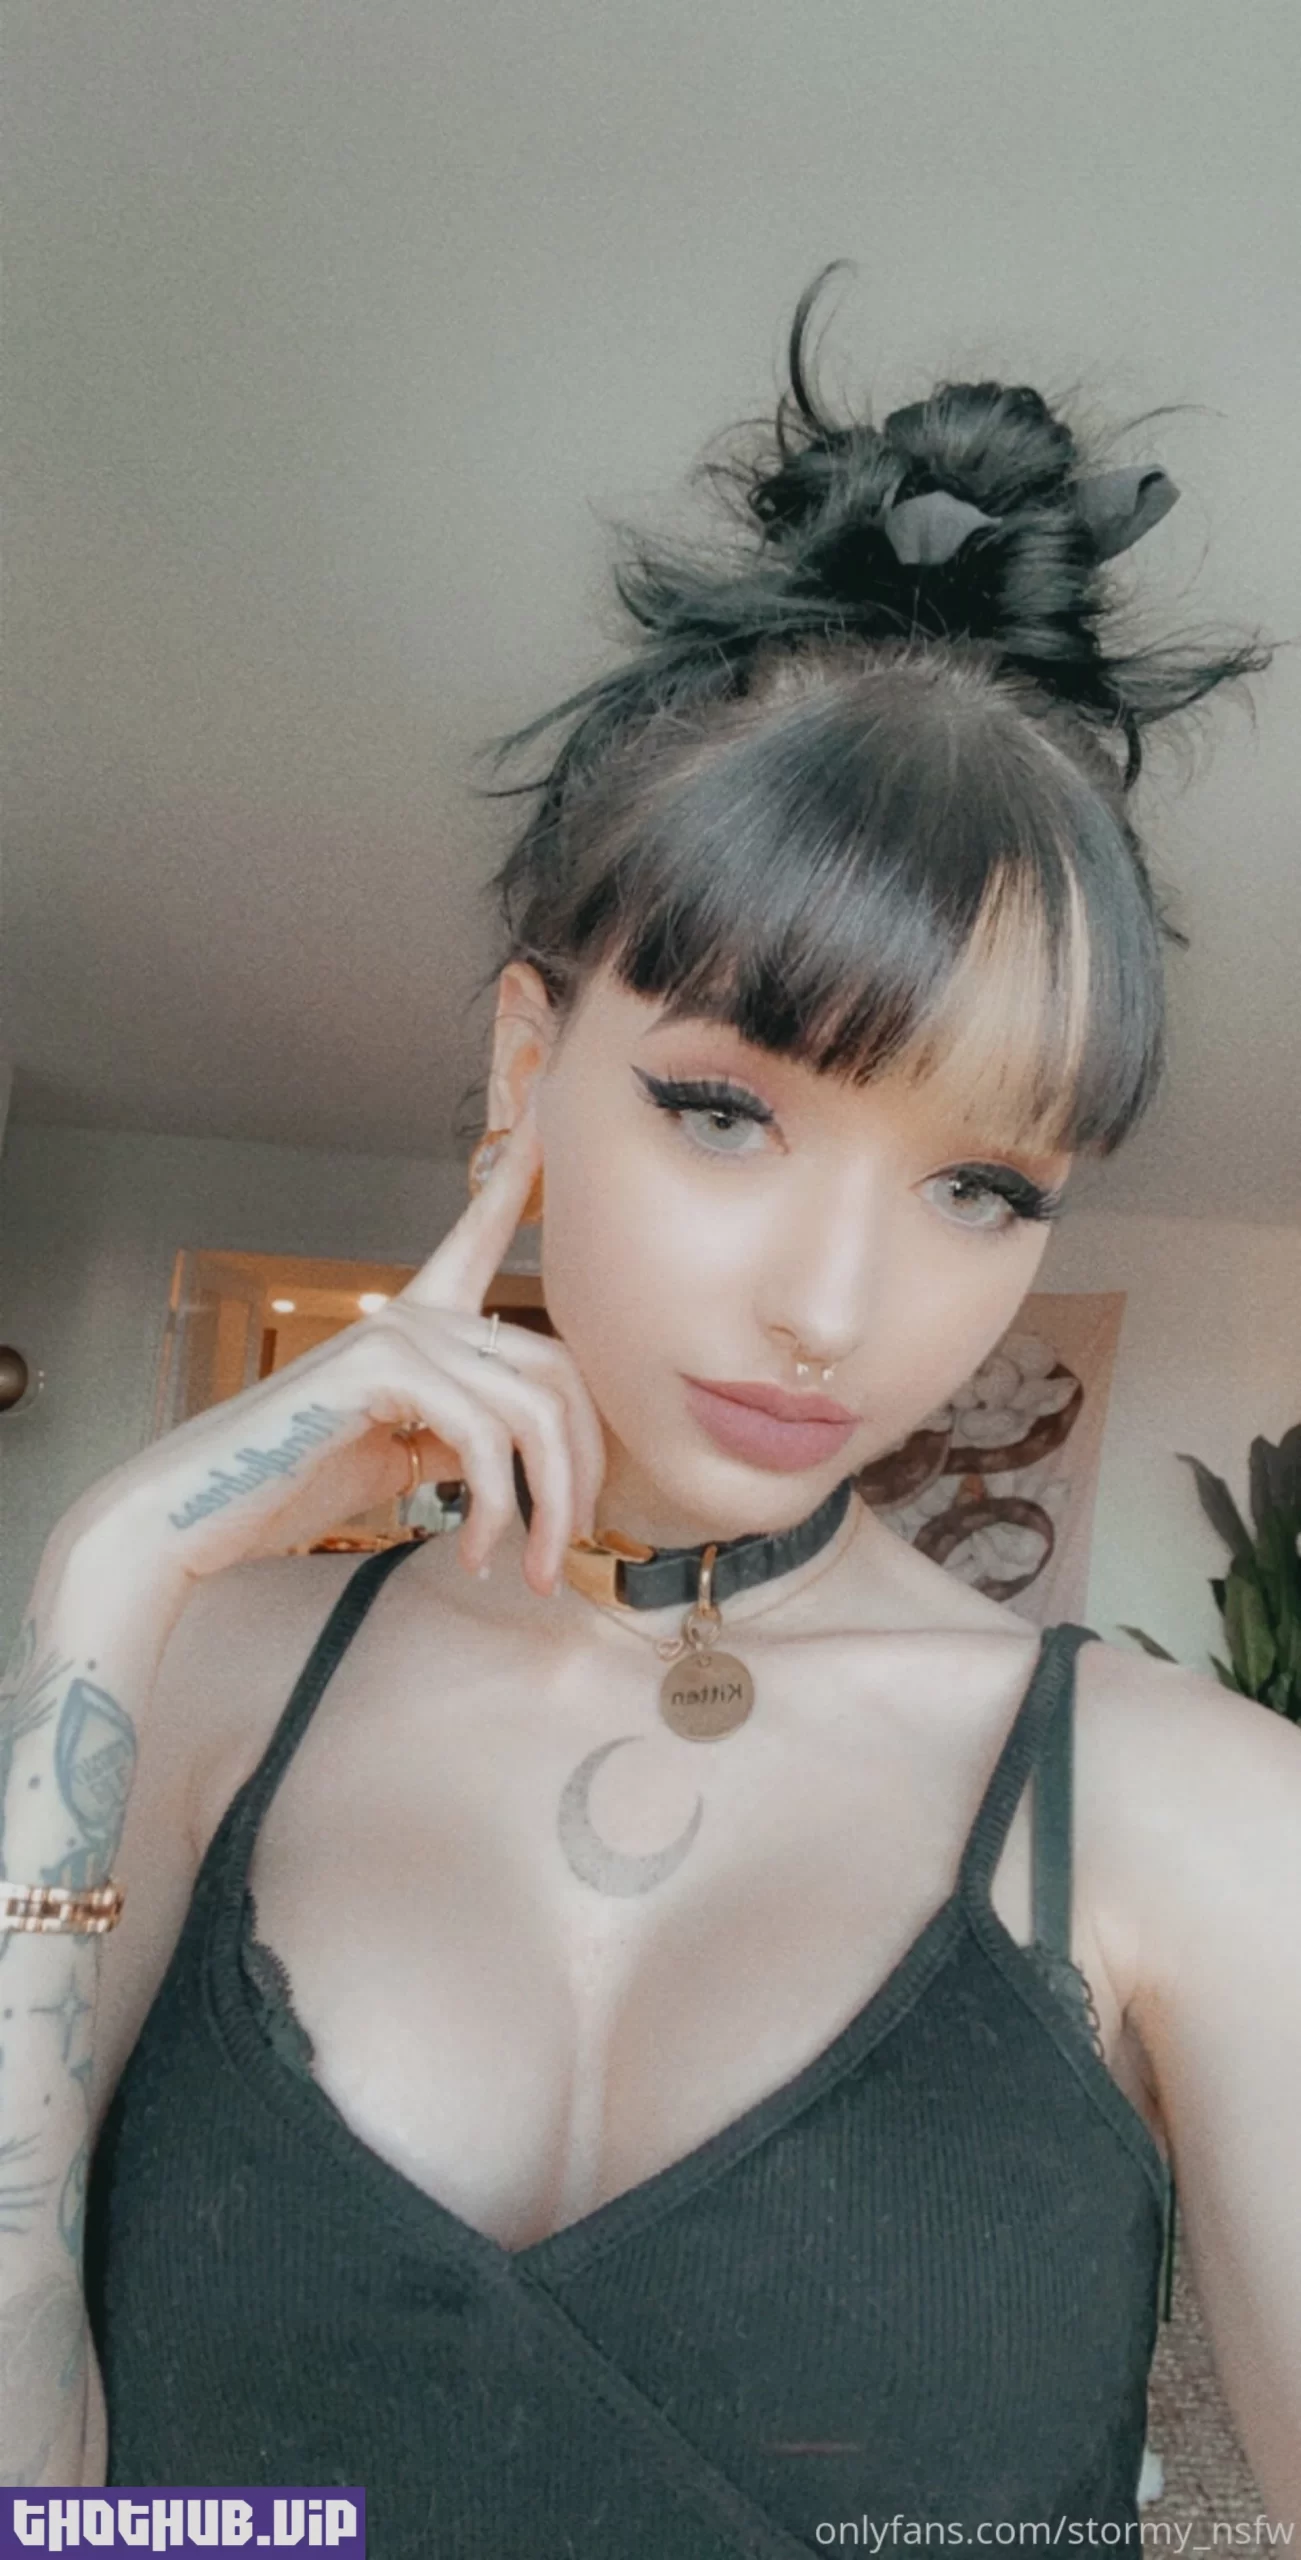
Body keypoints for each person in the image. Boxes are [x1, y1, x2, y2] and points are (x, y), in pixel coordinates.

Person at [2, 269, 1297, 2543]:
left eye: (980, 1186)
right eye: (725, 1112)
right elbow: (46, 2505)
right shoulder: (205, 1688)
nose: (834, 1306)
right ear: (528, 1067)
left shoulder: (1204, 1819)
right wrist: (98, 1594)